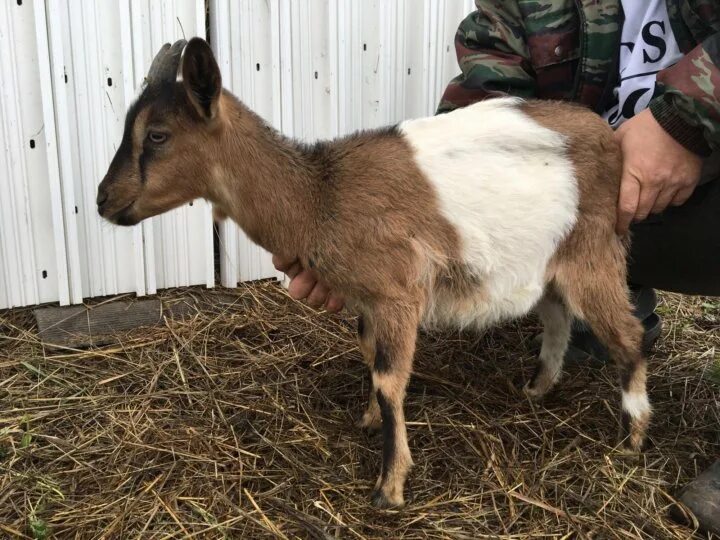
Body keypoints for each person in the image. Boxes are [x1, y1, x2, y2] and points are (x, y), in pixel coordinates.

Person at [273, 0, 719, 532]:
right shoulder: (520, 6)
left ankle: (624, 370)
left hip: (704, 191)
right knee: (582, 286)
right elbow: (477, 125)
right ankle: (600, 317)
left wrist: (688, 122)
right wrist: (379, 235)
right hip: (593, 203)